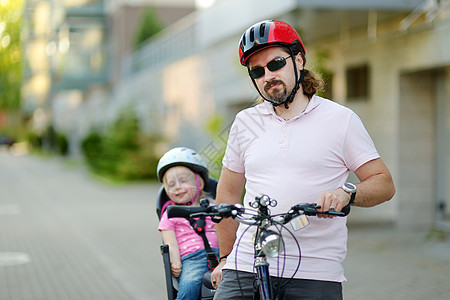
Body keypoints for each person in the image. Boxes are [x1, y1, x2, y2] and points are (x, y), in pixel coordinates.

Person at [210, 20, 395, 299]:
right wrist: (225, 258)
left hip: (313, 271)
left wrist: (347, 193)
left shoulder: (340, 120)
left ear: (298, 59)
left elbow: (384, 183)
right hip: (245, 264)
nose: (267, 75)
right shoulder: (245, 122)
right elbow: (227, 193)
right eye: (257, 71)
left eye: (275, 64)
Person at [157, 147, 220, 300]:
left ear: (201, 182)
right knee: (190, 285)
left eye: (184, 181)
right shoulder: (170, 215)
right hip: (192, 259)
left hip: (222, 255)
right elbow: (170, 243)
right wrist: (175, 261)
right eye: (171, 184)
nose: (177, 186)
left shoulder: (214, 208)